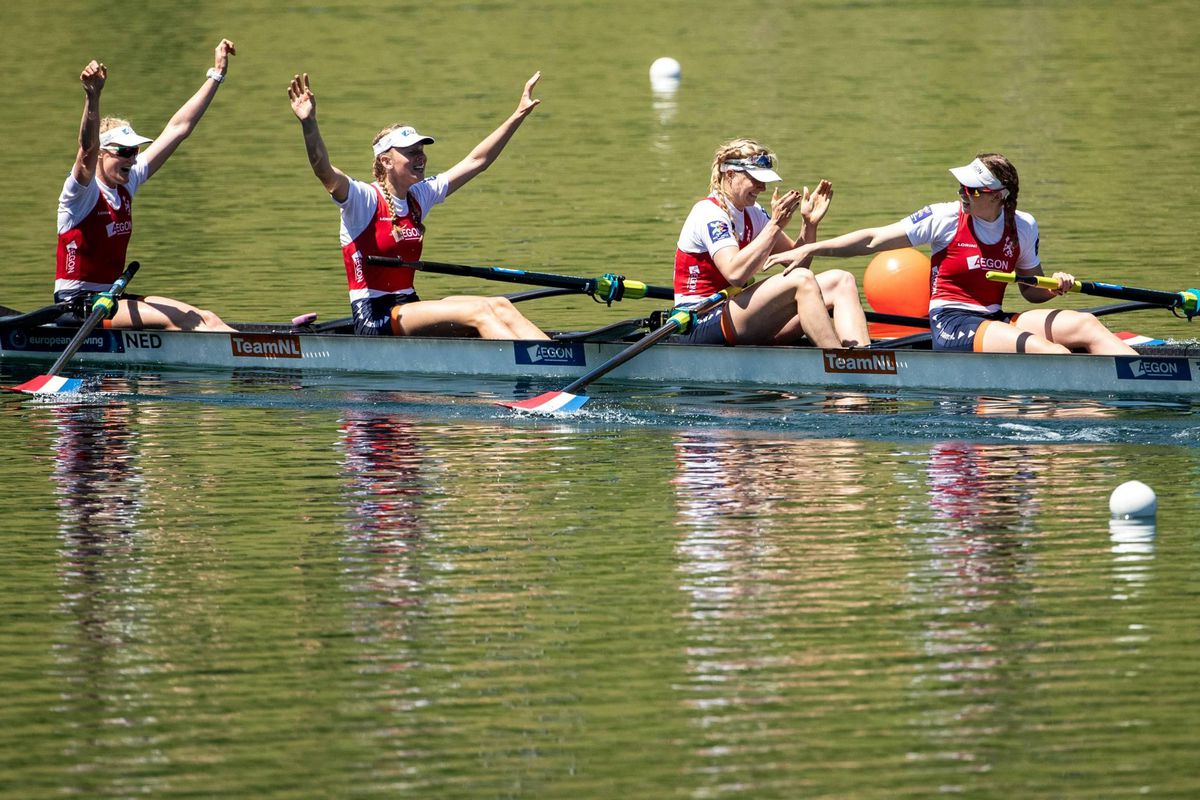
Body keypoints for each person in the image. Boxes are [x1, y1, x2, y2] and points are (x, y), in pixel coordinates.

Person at [765, 153, 1137, 355]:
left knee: (1085, 325)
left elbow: (1029, 290)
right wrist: (813, 246)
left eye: (973, 189)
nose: (963, 192)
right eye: (962, 185)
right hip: (951, 324)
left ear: (999, 196)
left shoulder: (1023, 225)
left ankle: (1145, 381)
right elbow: (874, 240)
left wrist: (1054, 285)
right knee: (1048, 351)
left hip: (996, 318)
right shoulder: (943, 217)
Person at [286, 72, 550, 340]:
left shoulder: (418, 196)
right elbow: (324, 172)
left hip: (408, 307)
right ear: (386, 161)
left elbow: (476, 161)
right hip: (375, 316)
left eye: (421, 150)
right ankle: (534, 368)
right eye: (411, 152)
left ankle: (556, 357)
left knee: (500, 305)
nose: (420, 156)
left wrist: (518, 115)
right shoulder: (363, 200)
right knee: (480, 310)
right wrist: (309, 122)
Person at [56, 41, 238, 332]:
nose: (132, 158)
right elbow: (87, 147)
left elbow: (178, 128)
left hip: (110, 298)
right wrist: (93, 95)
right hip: (76, 306)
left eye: (135, 151)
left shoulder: (128, 183)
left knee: (206, 317)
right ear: (102, 155)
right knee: (174, 320)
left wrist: (216, 75)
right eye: (124, 152)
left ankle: (256, 360)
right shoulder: (80, 192)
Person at [672, 138, 870, 348]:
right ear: (730, 174)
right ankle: (837, 362)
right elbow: (735, 275)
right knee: (801, 280)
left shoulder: (753, 212)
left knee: (842, 280)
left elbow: (798, 264)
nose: (763, 188)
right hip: (699, 321)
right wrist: (775, 225)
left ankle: (865, 360)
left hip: (736, 315)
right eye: (756, 179)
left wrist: (809, 225)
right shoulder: (709, 213)